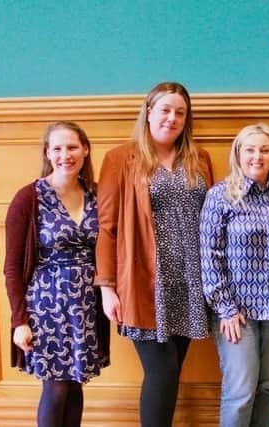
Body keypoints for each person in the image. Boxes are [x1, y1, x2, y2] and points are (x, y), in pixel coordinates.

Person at [95, 82, 213, 427]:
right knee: (162, 372)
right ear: (148, 112)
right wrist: (106, 286)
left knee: (171, 372)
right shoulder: (121, 158)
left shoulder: (199, 158)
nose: (172, 118)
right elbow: (106, 227)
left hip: (191, 281)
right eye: (165, 109)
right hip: (146, 284)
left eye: (180, 112)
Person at [4, 121, 110, 426]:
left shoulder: (96, 195)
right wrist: (19, 321)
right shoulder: (29, 198)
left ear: (86, 149)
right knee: (56, 387)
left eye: (73, 147)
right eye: (58, 148)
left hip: (86, 306)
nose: (66, 155)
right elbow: (11, 267)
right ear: (48, 154)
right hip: (46, 307)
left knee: (75, 384)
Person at [200, 123, 269, 427]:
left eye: (265, 150)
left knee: (268, 387)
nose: (258, 156)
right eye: (250, 149)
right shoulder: (221, 195)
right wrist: (225, 308)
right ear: (238, 154)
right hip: (235, 313)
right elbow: (209, 255)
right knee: (240, 392)